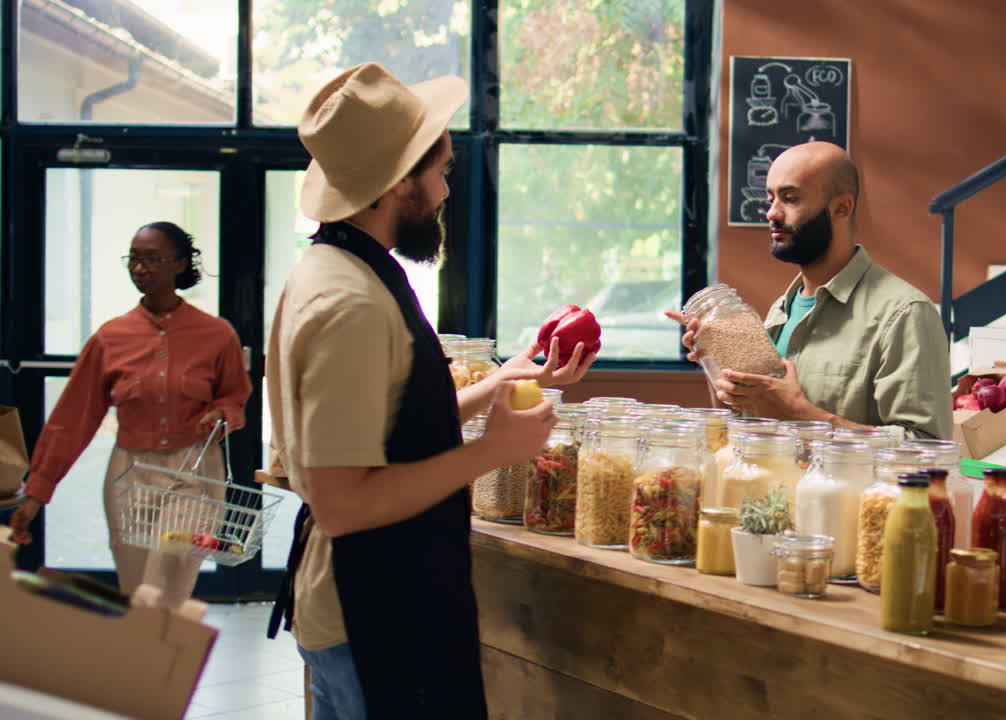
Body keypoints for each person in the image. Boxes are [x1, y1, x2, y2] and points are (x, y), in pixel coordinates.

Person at [264, 63, 595, 720]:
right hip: (371, 615)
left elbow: (389, 425)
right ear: (396, 183)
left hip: (362, 606)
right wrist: (490, 452)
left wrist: (500, 382)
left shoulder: (337, 267)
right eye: (441, 172)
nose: (446, 191)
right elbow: (342, 503)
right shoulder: (352, 304)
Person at [8, 221, 251, 608]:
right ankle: (152, 649)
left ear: (179, 264)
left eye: (152, 259)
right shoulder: (110, 338)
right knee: (135, 590)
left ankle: (161, 644)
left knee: (165, 581)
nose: (139, 268)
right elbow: (71, 420)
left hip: (195, 474)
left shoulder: (217, 334)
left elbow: (234, 396)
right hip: (129, 475)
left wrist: (222, 413)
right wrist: (36, 493)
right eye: (134, 259)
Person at [667, 142, 952, 440]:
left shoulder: (904, 314)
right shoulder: (781, 309)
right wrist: (716, 367)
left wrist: (801, 415)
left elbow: (927, 448)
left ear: (841, 207)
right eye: (770, 199)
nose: (772, 213)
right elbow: (747, 426)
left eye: (790, 199)